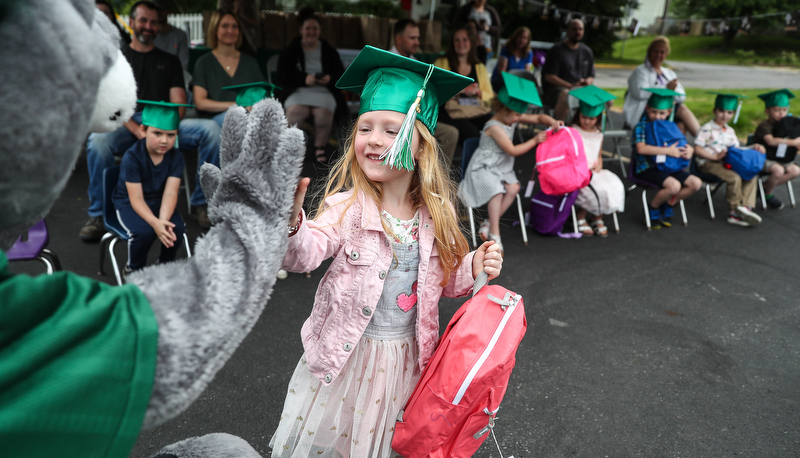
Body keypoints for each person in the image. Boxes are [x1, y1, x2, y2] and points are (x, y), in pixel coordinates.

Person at [268, 46, 504, 457]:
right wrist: (291, 221)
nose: (374, 140)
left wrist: (473, 264)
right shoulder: (347, 206)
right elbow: (303, 254)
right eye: (365, 128)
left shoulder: (437, 212)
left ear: (421, 145)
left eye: (392, 130)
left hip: (405, 364)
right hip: (348, 360)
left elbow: (443, 281)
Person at [80, 0, 221, 239]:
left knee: (211, 130)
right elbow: (109, 104)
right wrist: (136, 129)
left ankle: (201, 203)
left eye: (153, 22)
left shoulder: (169, 60)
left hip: (165, 121)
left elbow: (178, 102)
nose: (148, 26)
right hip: (126, 123)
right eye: (143, 21)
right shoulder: (116, 58)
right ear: (132, 22)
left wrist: (165, 129)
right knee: (98, 141)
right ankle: (98, 215)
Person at [459, 72, 562, 252]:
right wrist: (535, 140)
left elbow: (538, 118)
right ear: (505, 109)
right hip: (484, 166)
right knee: (497, 191)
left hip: (501, 165)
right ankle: (495, 234)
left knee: (513, 188)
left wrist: (551, 121)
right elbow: (513, 150)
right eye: (516, 115)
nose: (518, 119)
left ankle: (489, 222)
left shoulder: (511, 115)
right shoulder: (494, 126)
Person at [113, 101, 188, 274]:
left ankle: (163, 265)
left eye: (171, 135)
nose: (164, 140)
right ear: (142, 131)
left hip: (159, 200)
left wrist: (163, 221)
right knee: (144, 232)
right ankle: (133, 269)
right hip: (129, 203)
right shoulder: (133, 157)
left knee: (174, 229)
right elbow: (136, 198)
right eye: (157, 133)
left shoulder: (176, 157)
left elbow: (170, 193)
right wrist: (154, 223)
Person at [277, 7, 347, 163]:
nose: (311, 32)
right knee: (295, 112)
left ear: (320, 30)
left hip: (323, 92)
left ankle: (319, 148)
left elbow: (340, 74)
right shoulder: (291, 50)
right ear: (301, 30)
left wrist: (329, 79)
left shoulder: (329, 50)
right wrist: (303, 79)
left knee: (324, 114)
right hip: (298, 91)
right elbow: (283, 75)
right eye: (308, 28)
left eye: (315, 28)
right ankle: (290, 149)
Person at [389, 18, 460, 162]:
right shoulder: (386, 60)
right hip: (393, 116)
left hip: (417, 117)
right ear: (398, 39)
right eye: (412, 38)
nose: (417, 42)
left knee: (451, 133)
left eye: (418, 38)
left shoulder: (416, 62)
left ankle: (436, 178)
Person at [631, 88, 702, 229]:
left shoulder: (672, 126)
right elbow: (641, 148)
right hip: (647, 167)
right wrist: (668, 151)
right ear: (647, 109)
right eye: (653, 112)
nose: (657, 116)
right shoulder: (641, 127)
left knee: (696, 183)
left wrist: (690, 150)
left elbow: (681, 143)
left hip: (670, 167)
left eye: (662, 113)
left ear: (669, 112)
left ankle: (668, 204)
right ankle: (652, 208)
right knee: (674, 186)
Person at [694, 93, 764, 226]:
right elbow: (697, 149)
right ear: (715, 111)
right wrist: (715, 156)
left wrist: (753, 147)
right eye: (721, 111)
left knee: (750, 174)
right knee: (734, 178)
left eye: (729, 112)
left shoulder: (730, 131)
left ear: (733, 114)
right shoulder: (706, 129)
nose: (725, 115)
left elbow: (736, 150)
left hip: (727, 163)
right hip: (709, 162)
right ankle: (734, 212)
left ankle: (746, 207)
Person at [569, 86, 625, 237]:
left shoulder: (598, 133)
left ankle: (597, 216)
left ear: (598, 118)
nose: (587, 121)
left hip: (594, 170)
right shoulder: (573, 131)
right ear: (578, 114)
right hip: (578, 172)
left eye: (591, 118)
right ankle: (581, 215)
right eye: (584, 117)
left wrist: (598, 166)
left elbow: (598, 155)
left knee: (614, 185)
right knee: (598, 188)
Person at [191, 9, 265, 126]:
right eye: (225, 26)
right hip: (215, 121)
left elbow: (262, 94)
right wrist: (235, 106)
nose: (230, 30)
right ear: (215, 29)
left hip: (250, 119)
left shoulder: (250, 62)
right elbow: (200, 102)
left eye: (235, 27)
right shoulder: (204, 63)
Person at [623, 36, 700, 136]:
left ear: (666, 54)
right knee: (681, 109)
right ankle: (702, 140)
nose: (658, 55)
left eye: (662, 52)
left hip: (666, 112)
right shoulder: (640, 71)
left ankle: (681, 149)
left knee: (681, 125)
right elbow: (640, 93)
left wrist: (671, 90)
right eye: (656, 51)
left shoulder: (669, 73)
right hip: (646, 112)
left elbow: (681, 97)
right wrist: (666, 89)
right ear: (649, 51)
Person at [434, 26, 495, 146]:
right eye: (457, 40)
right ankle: (468, 164)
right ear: (452, 43)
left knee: (493, 126)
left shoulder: (479, 67)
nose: (461, 43)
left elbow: (490, 96)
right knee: (472, 133)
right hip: (449, 112)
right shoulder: (442, 62)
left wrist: (477, 92)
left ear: (471, 43)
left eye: (465, 39)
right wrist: (461, 90)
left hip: (475, 110)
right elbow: (436, 90)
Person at [753, 89, 800, 210]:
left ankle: (763, 188)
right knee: (778, 171)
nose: (781, 113)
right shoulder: (765, 125)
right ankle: (768, 194)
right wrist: (793, 142)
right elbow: (771, 141)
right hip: (763, 157)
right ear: (767, 111)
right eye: (777, 110)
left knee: (795, 170)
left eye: (784, 110)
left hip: (782, 159)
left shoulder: (788, 124)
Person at [542, 19, 595, 122]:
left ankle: (592, 131)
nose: (578, 32)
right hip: (557, 90)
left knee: (606, 99)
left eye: (580, 29)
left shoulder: (587, 51)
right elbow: (549, 77)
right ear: (568, 31)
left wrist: (587, 81)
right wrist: (571, 86)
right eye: (574, 29)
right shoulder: (556, 50)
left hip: (580, 88)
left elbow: (591, 75)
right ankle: (559, 129)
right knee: (566, 94)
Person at [491, 26, 534, 91]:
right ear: (515, 37)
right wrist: (513, 82)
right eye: (520, 37)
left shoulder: (529, 53)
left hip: (517, 82)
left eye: (525, 38)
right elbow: (502, 71)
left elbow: (526, 73)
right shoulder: (506, 49)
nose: (522, 40)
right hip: (502, 79)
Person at [152, 0, 189, 74]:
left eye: (161, 10)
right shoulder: (148, 35)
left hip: (175, 78)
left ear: (168, 11)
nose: (158, 13)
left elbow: (183, 64)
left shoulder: (180, 35)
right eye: (155, 10)